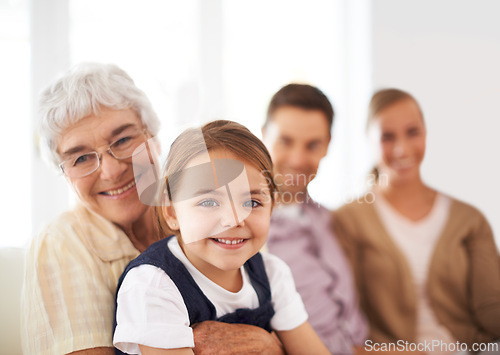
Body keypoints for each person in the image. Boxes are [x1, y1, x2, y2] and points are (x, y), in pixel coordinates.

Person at [21, 63, 283, 355]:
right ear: (65, 174)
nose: (110, 171)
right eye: (81, 158)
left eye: (122, 140)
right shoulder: (62, 244)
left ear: (154, 138)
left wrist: (268, 345)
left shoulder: (222, 213)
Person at [113, 120, 330, 355]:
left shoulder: (273, 273)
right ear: (172, 212)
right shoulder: (152, 285)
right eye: (208, 202)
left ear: (272, 208)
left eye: (252, 202)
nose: (234, 219)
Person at [333, 88, 500, 350]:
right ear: (369, 141)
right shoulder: (348, 220)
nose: (402, 149)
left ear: (426, 132)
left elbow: (492, 309)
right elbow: (345, 320)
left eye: (413, 132)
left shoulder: (469, 220)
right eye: (388, 137)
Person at [262, 84, 368, 354]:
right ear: (263, 136)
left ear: (327, 146)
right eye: (285, 141)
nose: (298, 159)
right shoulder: (240, 228)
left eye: (312, 145)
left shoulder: (331, 221)